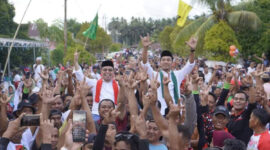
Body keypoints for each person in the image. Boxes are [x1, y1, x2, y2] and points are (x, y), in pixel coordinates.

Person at [141, 34, 197, 114]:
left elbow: (190, 65)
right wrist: (145, 48)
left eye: (168, 60)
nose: (166, 62)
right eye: (163, 60)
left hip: (176, 112)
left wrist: (192, 50)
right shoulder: (154, 75)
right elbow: (145, 63)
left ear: (172, 62)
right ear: (160, 62)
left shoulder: (177, 74)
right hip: (161, 113)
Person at [74, 52, 119, 121]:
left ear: (113, 72)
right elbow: (81, 77)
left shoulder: (118, 85)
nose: (107, 72)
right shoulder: (95, 83)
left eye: (110, 70)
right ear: (101, 71)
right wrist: (76, 62)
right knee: (79, 119)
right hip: (96, 115)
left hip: (112, 115)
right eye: (105, 70)